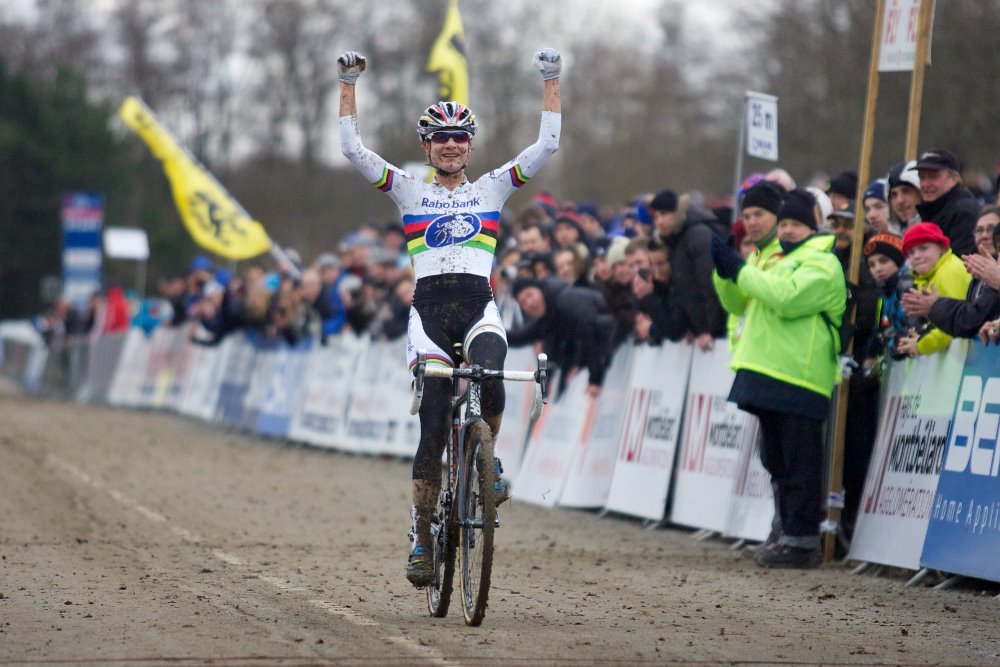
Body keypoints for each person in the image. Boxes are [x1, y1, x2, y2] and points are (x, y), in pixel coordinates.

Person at [337, 47, 562, 588]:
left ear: (470, 144)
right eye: (442, 138)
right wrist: (347, 82)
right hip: (429, 315)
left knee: (494, 366)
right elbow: (351, 148)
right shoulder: (409, 190)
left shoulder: (492, 188)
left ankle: (491, 460)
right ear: (427, 146)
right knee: (433, 427)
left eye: (461, 137)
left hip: (478, 305)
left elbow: (548, 143)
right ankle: (420, 534)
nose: (452, 145)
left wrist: (552, 79)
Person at [710, 188, 847, 569]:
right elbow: (740, 302)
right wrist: (726, 274)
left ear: (813, 226)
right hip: (768, 370)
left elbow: (786, 298)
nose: (787, 230)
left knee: (799, 462)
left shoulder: (822, 263)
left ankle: (802, 542)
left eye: (795, 224)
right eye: (784, 223)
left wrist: (739, 270)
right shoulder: (782, 260)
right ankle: (788, 535)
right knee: (777, 461)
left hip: (801, 375)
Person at [901, 206, 1000, 339]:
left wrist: (934, 307)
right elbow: (970, 320)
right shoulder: (979, 277)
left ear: (942, 248)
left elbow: (970, 322)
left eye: (991, 229)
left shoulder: (951, 270)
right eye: (979, 230)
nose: (985, 235)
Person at [508, 276, 615, 396]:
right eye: (523, 302)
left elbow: (593, 333)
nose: (529, 303)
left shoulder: (566, 299)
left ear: (540, 290)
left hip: (615, 342)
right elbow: (521, 336)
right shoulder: (549, 316)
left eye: (530, 295)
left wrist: (595, 378)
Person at [650, 188, 727, 351]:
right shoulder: (676, 241)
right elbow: (683, 290)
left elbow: (710, 284)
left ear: (677, 212)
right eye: (656, 217)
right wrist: (691, 326)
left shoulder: (697, 235)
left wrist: (711, 329)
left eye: (664, 214)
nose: (659, 222)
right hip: (700, 332)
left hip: (716, 334)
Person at [895, 222, 971, 358]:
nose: (916, 256)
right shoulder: (930, 275)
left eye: (923, 248)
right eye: (911, 252)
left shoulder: (950, 272)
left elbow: (952, 324)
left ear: (942, 248)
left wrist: (919, 345)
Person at [912, 149, 980, 256]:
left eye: (933, 177)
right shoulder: (934, 209)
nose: (925, 184)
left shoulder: (964, 213)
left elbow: (960, 261)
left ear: (954, 178)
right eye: (922, 177)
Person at [886, 159, 921, 233]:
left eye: (906, 191)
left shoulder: (942, 231)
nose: (900, 200)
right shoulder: (887, 239)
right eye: (894, 194)